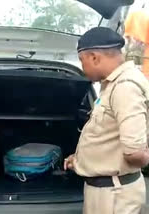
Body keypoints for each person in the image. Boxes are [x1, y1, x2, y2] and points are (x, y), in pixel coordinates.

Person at [64, 27, 149, 214]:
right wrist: (80, 160)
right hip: (107, 191)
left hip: (114, 195)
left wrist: (142, 156)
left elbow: (134, 152)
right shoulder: (112, 85)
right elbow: (107, 134)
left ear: (94, 57)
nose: (83, 67)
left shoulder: (125, 87)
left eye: (82, 61)